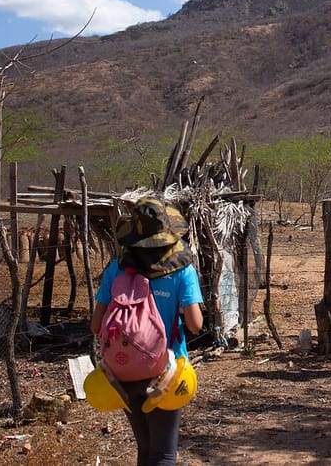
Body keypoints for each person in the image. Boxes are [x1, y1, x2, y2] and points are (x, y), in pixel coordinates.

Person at [91, 197, 204, 466]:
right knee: (163, 454)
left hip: (123, 371)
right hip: (167, 372)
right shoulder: (181, 270)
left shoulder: (117, 268)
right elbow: (195, 325)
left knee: (145, 449)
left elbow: (96, 326)